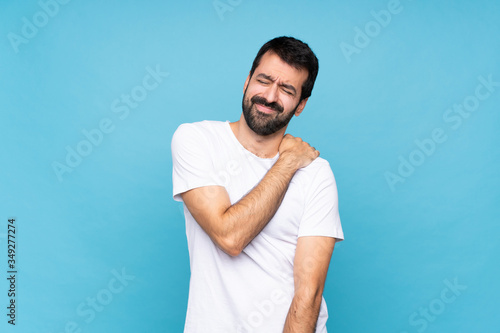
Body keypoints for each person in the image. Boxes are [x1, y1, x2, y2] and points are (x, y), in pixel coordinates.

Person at [171, 36, 344, 332]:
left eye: (287, 89)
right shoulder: (197, 141)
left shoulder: (317, 173)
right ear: (247, 81)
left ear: (300, 105)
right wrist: (288, 163)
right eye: (263, 80)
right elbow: (229, 237)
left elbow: (309, 293)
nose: (270, 96)